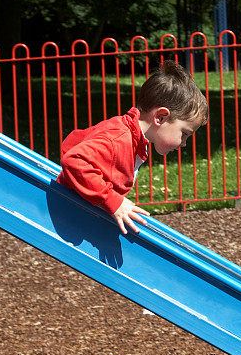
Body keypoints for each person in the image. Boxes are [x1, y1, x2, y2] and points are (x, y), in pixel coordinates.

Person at [56, 60, 209, 234]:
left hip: (83, 213)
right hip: (70, 211)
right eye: (184, 133)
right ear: (160, 117)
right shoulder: (119, 139)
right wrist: (112, 201)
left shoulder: (133, 139)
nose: (184, 143)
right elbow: (74, 160)